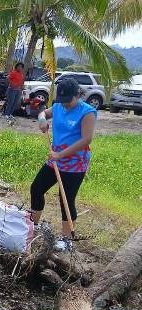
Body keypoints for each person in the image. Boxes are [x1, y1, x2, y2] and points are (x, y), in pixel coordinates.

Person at [31, 78, 96, 251]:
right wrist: (41, 120)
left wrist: (60, 154)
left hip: (74, 163)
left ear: (77, 95)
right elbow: (44, 113)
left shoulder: (87, 112)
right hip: (54, 160)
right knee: (36, 188)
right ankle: (33, 226)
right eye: (62, 101)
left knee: (66, 199)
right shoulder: (59, 106)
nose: (65, 105)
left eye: (68, 101)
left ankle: (67, 240)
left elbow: (86, 139)